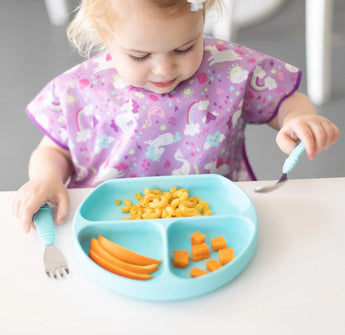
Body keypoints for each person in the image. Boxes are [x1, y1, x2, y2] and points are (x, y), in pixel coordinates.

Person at [13, 0, 339, 232]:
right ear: (102, 34)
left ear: (204, 17)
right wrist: (46, 178)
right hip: (106, 219)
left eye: (185, 48)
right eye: (140, 56)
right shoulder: (80, 88)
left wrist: (298, 119)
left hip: (214, 213)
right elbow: (53, 149)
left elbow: (287, 102)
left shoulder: (229, 68)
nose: (165, 69)